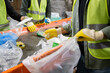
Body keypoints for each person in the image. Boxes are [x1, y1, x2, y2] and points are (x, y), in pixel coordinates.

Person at [43, 0, 110, 73]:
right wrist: (60, 31)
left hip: (101, 62)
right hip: (80, 58)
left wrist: (100, 34)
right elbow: (77, 23)